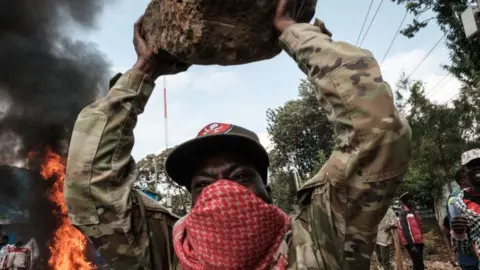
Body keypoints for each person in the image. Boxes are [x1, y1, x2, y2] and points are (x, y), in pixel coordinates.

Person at [64, 0, 412, 269]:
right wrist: (142, 72)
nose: (221, 193)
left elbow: (376, 130)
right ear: (190, 204)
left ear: (268, 192)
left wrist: (293, 31)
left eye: (240, 177)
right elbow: (90, 183)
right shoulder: (163, 255)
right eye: (202, 184)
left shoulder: (320, 245)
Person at [443, 169, 478, 270]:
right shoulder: (456, 199)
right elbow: (460, 230)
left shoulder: (471, 196)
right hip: (471, 258)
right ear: (463, 180)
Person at [451, 149, 480, 264]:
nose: (477, 169)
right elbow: (462, 248)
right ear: (465, 171)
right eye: (472, 166)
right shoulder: (458, 203)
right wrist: (459, 233)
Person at [398, 192, 424, 270]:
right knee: (418, 264)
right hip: (412, 243)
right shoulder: (403, 213)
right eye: (410, 199)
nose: (412, 201)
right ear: (405, 201)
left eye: (412, 199)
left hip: (418, 241)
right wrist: (412, 245)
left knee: (418, 264)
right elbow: (405, 230)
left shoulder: (412, 211)